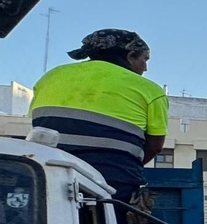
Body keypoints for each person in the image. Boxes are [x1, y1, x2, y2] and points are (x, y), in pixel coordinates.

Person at [29, 29, 167, 203]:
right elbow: (155, 146)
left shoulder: (50, 77)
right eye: (145, 59)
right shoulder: (149, 90)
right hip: (112, 180)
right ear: (131, 56)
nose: (146, 67)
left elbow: (39, 125)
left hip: (49, 171)